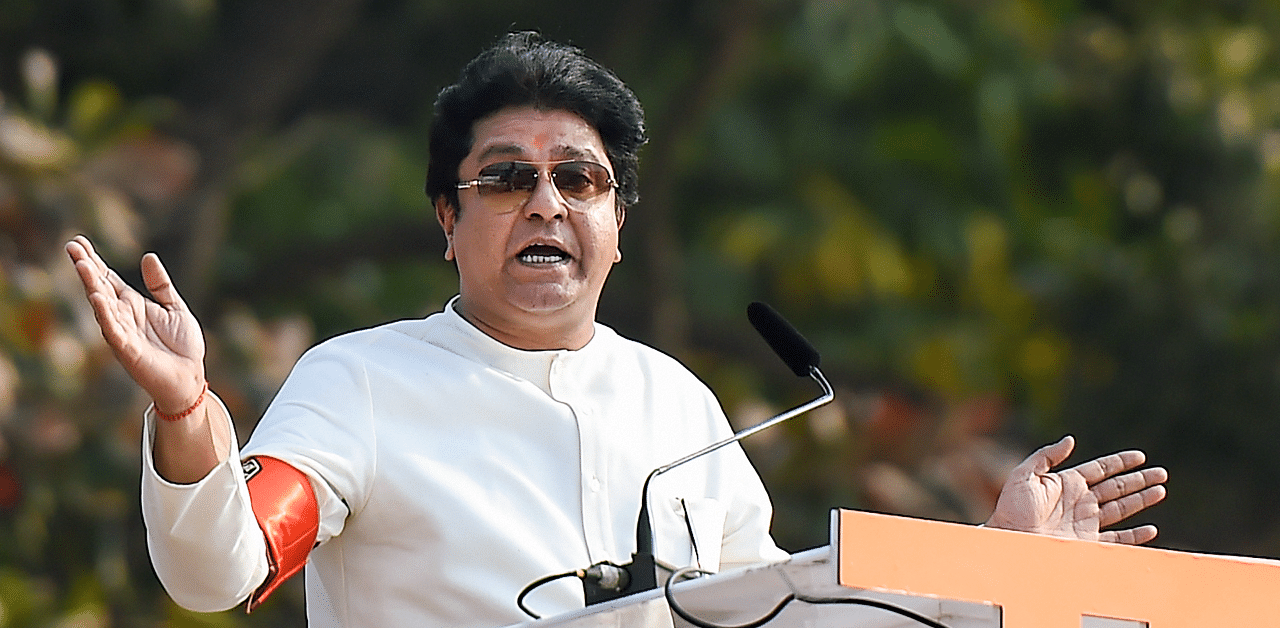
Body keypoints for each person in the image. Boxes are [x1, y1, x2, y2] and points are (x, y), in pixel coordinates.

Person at [65, 32, 1168, 628]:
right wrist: (185, 410)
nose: (543, 203)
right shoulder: (358, 380)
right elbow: (223, 569)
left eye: (576, 179)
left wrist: (991, 572)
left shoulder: (674, 401)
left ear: (616, 223)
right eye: (504, 179)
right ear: (448, 222)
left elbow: (773, 616)